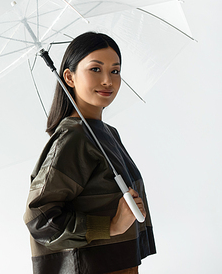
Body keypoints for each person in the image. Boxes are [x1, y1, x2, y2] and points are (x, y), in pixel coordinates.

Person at [23, 32, 155, 274]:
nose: (108, 80)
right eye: (96, 69)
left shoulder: (106, 133)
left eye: (115, 71)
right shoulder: (74, 138)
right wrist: (111, 226)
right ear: (69, 77)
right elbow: (40, 219)